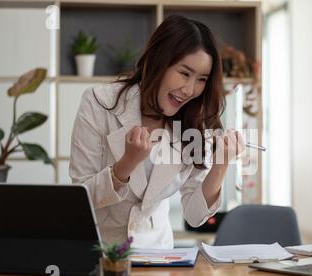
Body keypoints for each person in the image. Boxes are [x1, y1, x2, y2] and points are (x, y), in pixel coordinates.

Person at [69, 15, 244, 249]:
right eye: (184, 73)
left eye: (201, 79)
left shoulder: (194, 122)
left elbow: (194, 216)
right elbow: (81, 199)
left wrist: (221, 165)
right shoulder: (99, 102)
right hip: (102, 252)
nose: (190, 89)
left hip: (158, 255)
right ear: (158, 61)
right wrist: (127, 164)